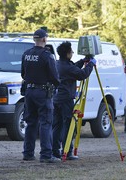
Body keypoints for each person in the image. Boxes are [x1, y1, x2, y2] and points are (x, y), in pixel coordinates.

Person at [21, 28, 60, 163]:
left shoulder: (26, 54)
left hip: (29, 92)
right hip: (43, 93)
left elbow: (23, 74)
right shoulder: (47, 55)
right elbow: (55, 77)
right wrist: (56, 84)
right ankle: (46, 155)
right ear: (44, 39)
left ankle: (28, 153)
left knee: (31, 123)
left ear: (34, 39)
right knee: (46, 123)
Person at [52, 41, 96, 160]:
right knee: (68, 125)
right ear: (67, 54)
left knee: (57, 125)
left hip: (56, 99)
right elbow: (82, 74)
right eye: (71, 51)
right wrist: (91, 64)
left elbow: (73, 68)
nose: (72, 53)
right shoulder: (67, 67)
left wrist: (83, 61)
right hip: (66, 99)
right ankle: (67, 151)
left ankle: (54, 151)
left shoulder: (58, 64)